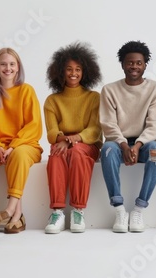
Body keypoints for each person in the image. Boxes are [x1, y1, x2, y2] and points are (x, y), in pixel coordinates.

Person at [0, 48, 43, 234]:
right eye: (3, 64)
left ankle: (11, 211)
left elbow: (33, 126)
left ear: (18, 67)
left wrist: (12, 147)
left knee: (18, 155)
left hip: (25, 145)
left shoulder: (27, 91)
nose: (8, 68)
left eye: (12, 64)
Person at [100, 40, 156, 233]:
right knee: (106, 150)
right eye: (129, 62)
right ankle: (119, 209)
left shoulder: (155, 89)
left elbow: (154, 124)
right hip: (117, 144)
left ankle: (139, 208)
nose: (134, 66)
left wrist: (136, 147)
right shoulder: (109, 90)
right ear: (122, 64)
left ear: (145, 64)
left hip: (144, 144)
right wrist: (124, 146)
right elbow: (109, 124)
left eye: (138, 62)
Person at [43, 42, 103, 234]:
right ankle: (57, 212)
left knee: (76, 151)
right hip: (62, 142)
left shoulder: (94, 97)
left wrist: (75, 138)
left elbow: (95, 130)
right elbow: (51, 131)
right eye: (69, 69)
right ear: (60, 72)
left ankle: (78, 210)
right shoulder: (52, 100)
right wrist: (63, 139)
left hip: (86, 143)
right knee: (56, 154)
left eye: (78, 69)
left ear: (85, 72)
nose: (73, 73)